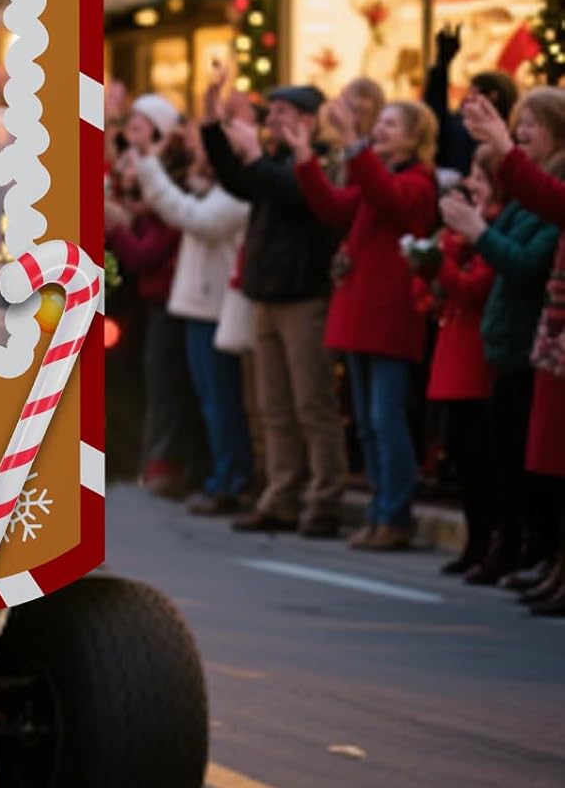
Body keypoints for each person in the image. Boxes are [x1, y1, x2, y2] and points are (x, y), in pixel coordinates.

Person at [283, 97, 438, 551]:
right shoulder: (379, 176)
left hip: (387, 317)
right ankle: (378, 512)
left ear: (415, 137)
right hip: (361, 314)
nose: (381, 129)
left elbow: (387, 198)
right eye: (380, 123)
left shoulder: (418, 181)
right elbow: (334, 207)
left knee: (385, 419)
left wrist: (354, 142)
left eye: (391, 124)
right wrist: (305, 158)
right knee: (368, 424)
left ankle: (396, 515)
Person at [203, 85, 347, 538]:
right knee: (274, 407)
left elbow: (298, 195)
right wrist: (212, 126)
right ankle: (281, 497)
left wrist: (254, 157)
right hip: (266, 294)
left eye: (282, 112)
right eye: (271, 112)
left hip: (305, 296)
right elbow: (238, 181)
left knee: (312, 403)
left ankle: (324, 499)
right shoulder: (273, 163)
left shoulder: (321, 162)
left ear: (308, 119)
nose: (271, 121)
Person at [461, 88, 565, 611]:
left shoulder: (549, 185)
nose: (524, 132)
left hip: (536, 332)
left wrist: (503, 149)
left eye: (532, 124)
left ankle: (541, 555)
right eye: (519, 123)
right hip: (543, 333)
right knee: (536, 457)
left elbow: (526, 255)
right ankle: (550, 563)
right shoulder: (537, 185)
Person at [133, 83, 253, 514]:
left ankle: (231, 479)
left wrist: (150, 165)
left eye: (209, 147)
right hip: (198, 304)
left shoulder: (236, 193)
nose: (200, 152)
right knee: (208, 399)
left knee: (220, 401)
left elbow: (193, 218)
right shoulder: (213, 187)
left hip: (214, 306)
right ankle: (220, 474)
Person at [106, 94, 206, 498]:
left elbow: (146, 254)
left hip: (168, 299)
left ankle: (164, 465)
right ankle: (150, 462)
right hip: (149, 300)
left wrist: (117, 227)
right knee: (152, 380)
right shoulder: (150, 202)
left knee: (165, 382)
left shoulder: (173, 197)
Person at [412, 151, 498, 574]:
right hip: (453, 349)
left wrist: (440, 265)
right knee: (461, 453)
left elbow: (474, 287)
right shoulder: (461, 232)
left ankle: (487, 542)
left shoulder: (490, 232)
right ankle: (475, 542)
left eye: (481, 177)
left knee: (479, 457)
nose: (470, 183)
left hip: (475, 356)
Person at [424, 25, 520, 175]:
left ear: (493, 96)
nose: (466, 98)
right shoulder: (460, 124)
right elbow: (435, 113)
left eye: (473, 92)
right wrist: (442, 65)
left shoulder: (511, 135)